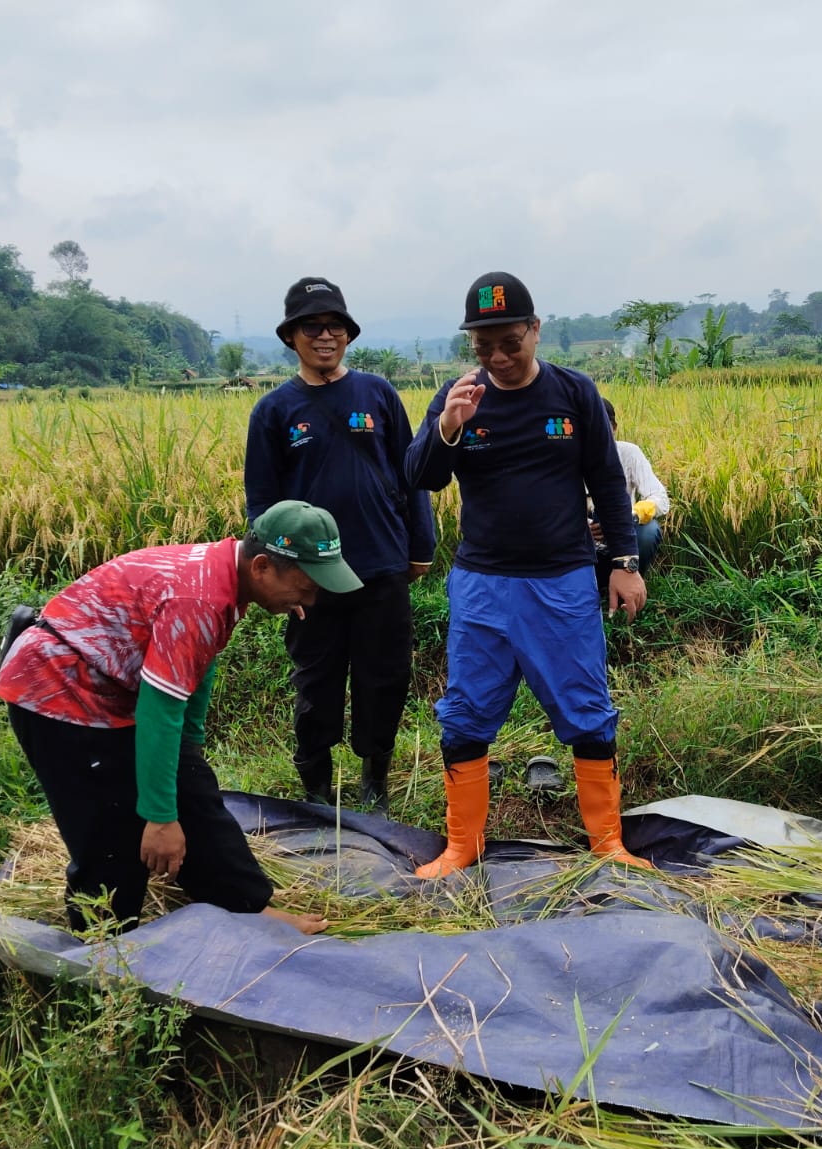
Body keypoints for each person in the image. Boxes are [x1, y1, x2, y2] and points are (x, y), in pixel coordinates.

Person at [0, 501, 364, 934]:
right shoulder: (199, 597)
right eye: (305, 587)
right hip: (58, 691)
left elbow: (194, 671)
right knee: (113, 834)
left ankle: (247, 908)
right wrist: (160, 818)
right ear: (263, 567)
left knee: (194, 793)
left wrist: (188, 757)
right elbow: (161, 706)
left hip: (115, 687)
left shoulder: (227, 576)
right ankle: (107, 947)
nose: (310, 600)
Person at [404, 270, 649, 877]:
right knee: (465, 711)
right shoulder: (457, 395)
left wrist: (623, 563)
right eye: (483, 346)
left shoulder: (574, 393)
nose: (498, 357)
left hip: (562, 581)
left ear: (536, 331)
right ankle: (463, 845)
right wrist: (448, 427)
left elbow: (608, 483)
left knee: (588, 708)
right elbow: (420, 475)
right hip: (481, 584)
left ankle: (607, 844)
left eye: (510, 341)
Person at [245, 277, 436, 813]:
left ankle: (375, 777)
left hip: (381, 566)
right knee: (317, 683)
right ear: (292, 337)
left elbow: (412, 475)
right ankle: (315, 788)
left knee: (385, 679)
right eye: (312, 326)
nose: (325, 336)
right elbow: (261, 504)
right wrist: (278, 573)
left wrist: (420, 548)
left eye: (335, 326)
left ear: (348, 334)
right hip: (309, 581)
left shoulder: (377, 393)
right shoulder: (273, 411)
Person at [590, 398, 670, 593]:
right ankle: (594, 588)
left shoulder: (629, 453)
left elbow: (659, 498)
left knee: (649, 530)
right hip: (584, 537)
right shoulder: (568, 457)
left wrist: (630, 516)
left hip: (624, 533)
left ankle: (631, 584)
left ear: (614, 428)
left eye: (603, 427)